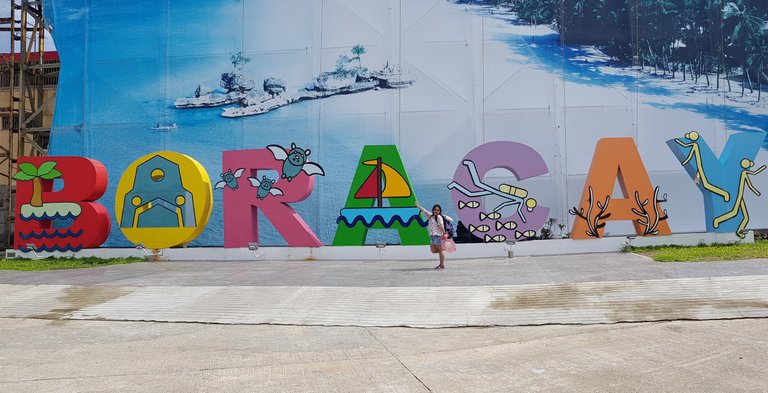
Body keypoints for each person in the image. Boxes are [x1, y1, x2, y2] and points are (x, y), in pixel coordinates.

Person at [415, 201, 453, 269]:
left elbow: (441, 225)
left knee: (440, 251)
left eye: (438, 210)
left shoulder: (439, 217)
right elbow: (424, 210)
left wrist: (444, 234)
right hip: (432, 236)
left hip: (438, 236)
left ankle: (441, 265)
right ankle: (443, 248)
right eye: (435, 209)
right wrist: (418, 206)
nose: (436, 211)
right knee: (433, 251)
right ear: (433, 210)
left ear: (440, 211)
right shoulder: (431, 216)